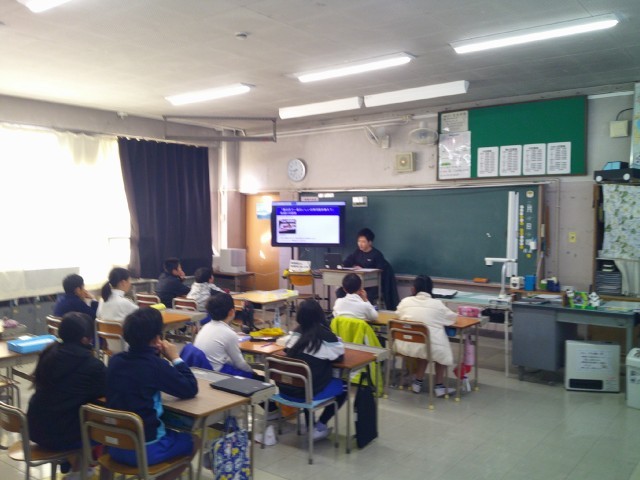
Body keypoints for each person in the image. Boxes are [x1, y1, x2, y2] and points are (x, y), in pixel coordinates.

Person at [106, 308, 198, 474]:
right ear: (157, 338)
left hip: (114, 445)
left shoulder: (115, 361)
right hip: (145, 449)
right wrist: (175, 358)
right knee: (194, 440)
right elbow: (190, 388)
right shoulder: (155, 366)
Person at [27, 312, 107, 479]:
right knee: (103, 424)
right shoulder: (92, 365)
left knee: (70, 409)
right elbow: (106, 393)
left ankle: (74, 466)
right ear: (85, 340)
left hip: (36, 428)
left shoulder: (49, 353)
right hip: (61, 435)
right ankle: (81, 471)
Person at [281, 299, 346, 441]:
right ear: (320, 315)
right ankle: (320, 426)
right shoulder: (326, 336)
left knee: (305, 378)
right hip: (305, 393)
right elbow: (339, 357)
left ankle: (310, 424)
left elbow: (287, 348)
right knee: (344, 387)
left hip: (286, 390)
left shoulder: (295, 333)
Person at [394, 275, 457, 397]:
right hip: (428, 346)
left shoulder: (405, 302)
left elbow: (398, 314)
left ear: (413, 289)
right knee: (437, 347)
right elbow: (451, 319)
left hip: (405, 345)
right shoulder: (437, 304)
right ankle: (439, 386)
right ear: (431, 289)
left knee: (424, 346)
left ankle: (417, 383)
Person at [193, 293, 253, 376]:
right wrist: (252, 371)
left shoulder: (205, 327)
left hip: (202, 370)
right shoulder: (229, 333)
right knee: (255, 376)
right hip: (217, 374)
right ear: (231, 312)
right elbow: (239, 364)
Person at [97, 267, 139, 353]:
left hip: (109, 346)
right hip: (128, 347)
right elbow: (143, 317)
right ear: (123, 282)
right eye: (129, 281)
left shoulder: (103, 300)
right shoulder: (124, 302)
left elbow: (98, 316)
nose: (130, 284)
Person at [342, 228, 387, 305]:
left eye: (363, 242)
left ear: (370, 242)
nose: (360, 244)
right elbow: (349, 261)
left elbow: (381, 271)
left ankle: (363, 310)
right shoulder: (357, 252)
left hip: (372, 285)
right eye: (359, 241)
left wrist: (363, 269)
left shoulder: (377, 254)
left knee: (367, 295)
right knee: (340, 291)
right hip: (357, 284)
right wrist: (342, 264)